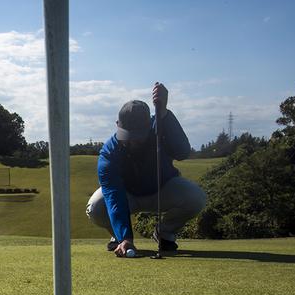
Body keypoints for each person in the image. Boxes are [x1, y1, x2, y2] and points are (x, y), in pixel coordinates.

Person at [86, 83, 206, 257]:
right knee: (96, 208)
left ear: (149, 126)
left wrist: (164, 113)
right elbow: (114, 195)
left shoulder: (160, 128)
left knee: (196, 197)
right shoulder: (109, 153)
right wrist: (126, 236)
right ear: (117, 125)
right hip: (128, 196)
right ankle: (119, 238)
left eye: (138, 137)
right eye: (127, 136)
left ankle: (164, 233)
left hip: (163, 189)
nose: (132, 142)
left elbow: (182, 152)